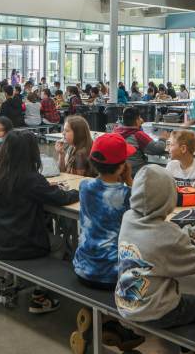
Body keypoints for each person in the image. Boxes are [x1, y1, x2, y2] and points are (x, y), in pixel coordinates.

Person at [115, 165, 195, 329]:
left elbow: (163, 242)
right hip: (156, 312)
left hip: (126, 304)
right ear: (168, 199)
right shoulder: (167, 234)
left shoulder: (128, 218)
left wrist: (192, 230)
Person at [0, 130, 79, 313]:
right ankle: (40, 294)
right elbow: (61, 198)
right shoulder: (31, 179)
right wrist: (77, 192)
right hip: (22, 243)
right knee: (59, 243)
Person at [71, 133, 144, 353]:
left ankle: (104, 323)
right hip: (112, 275)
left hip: (83, 267)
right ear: (123, 166)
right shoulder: (127, 194)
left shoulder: (85, 187)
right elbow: (141, 217)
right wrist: (130, 181)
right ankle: (110, 324)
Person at [114, 106, 167, 176]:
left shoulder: (116, 132)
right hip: (136, 171)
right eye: (139, 118)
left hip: (119, 170)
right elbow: (157, 149)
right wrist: (163, 139)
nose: (141, 120)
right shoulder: (138, 134)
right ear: (136, 120)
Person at [165, 129, 195, 199]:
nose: (168, 149)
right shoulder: (170, 165)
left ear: (183, 149)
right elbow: (167, 194)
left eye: (171, 145)